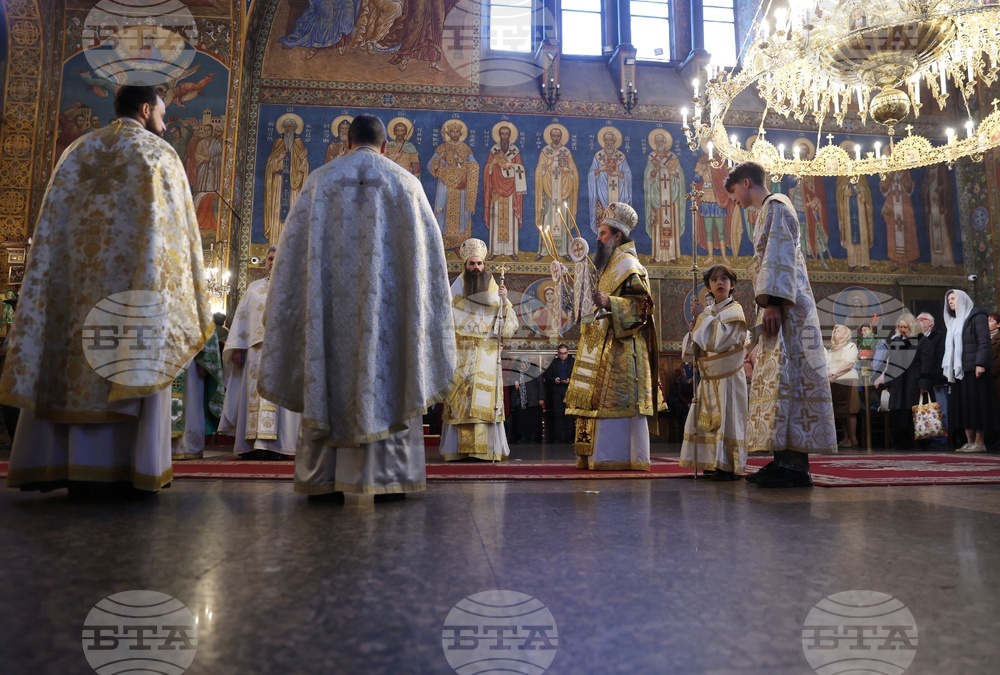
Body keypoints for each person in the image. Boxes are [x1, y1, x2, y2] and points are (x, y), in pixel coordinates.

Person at [0, 85, 213, 495]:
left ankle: (63, 465)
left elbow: (50, 235)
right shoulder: (157, 155)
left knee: (68, 368)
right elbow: (177, 240)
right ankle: (129, 468)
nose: (165, 126)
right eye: (163, 117)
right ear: (146, 109)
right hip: (133, 297)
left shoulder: (76, 151)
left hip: (73, 297)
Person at [259, 115, 456, 500]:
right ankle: (389, 479)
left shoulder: (319, 182)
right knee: (390, 380)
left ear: (347, 142)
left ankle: (324, 480)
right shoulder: (408, 185)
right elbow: (429, 270)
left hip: (329, 319)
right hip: (390, 321)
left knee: (326, 378)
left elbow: (289, 261)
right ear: (385, 146)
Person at [724, 161, 837, 487]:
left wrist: (773, 303)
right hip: (780, 306)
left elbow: (780, 256)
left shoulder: (776, 206)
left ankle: (794, 466)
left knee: (789, 382)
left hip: (786, 308)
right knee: (781, 384)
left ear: (746, 183)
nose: (733, 199)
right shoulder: (769, 211)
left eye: (733, 192)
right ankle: (784, 459)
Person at [564, 202, 658, 471]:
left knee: (612, 402)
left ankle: (618, 456)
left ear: (618, 236)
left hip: (620, 349)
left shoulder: (629, 265)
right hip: (598, 344)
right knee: (593, 402)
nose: (598, 237)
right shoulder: (605, 266)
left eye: (604, 233)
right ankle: (594, 456)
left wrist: (612, 303)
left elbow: (643, 307)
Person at [219, 247, 302, 460]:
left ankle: (279, 447)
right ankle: (252, 445)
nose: (272, 262)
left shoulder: (295, 287)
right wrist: (237, 346)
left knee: (280, 397)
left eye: (277, 258)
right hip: (255, 351)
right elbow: (241, 319)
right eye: (270, 258)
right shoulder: (254, 288)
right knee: (254, 395)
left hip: (283, 352)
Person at [439, 238, 518, 461]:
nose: (476, 268)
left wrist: (504, 302)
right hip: (460, 358)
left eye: (480, 264)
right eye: (472, 264)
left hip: (486, 356)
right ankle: (458, 450)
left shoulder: (495, 291)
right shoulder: (454, 292)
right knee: (460, 404)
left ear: (485, 265)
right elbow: (444, 323)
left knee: (484, 404)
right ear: (465, 265)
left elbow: (509, 325)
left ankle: (486, 449)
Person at [679, 264, 748, 480]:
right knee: (707, 424)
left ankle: (727, 466)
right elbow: (692, 351)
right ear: (708, 286)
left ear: (732, 284)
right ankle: (710, 462)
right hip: (708, 379)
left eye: (724, 279)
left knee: (728, 420)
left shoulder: (734, 311)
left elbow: (721, 340)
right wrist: (693, 331)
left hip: (728, 378)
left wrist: (702, 319)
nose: (720, 282)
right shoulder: (708, 312)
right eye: (715, 279)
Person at [943, 289, 997, 453]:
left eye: (953, 298)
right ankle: (969, 441)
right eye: (948, 300)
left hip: (974, 369)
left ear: (962, 299)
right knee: (964, 406)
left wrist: (980, 363)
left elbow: (984, 341)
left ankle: (980, 442)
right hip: (959, 371)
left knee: (977, 405)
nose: (950, 302)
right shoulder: (953, 321)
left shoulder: (976, 316)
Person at [171, 330, 225, 460]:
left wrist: (206, 359)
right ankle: (160, 447)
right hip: (164, 357)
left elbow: (206, 322)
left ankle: (188, 446)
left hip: (190, 359)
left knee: (192, 402)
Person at [875, 313, 922, 450]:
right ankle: (901, 441)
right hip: (898, 382)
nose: (902, 329)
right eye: (900, 326)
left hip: (913, 381)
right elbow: (891, 363)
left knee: (912, 412)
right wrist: (888, 382)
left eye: (905, 326)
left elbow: (926, 362)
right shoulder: (896, 341)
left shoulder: (920, 341)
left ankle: (916, 442)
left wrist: (924, 382)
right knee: (898, 414)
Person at [916, 312, 949, 448]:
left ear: (931, 323)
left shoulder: (939, 337)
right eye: (916, 319)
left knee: (942, 410)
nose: (918, 322)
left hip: (937, 379)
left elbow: (940, 358)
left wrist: (939, 377)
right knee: (925, 410)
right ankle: (930, 437)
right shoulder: (917, 338)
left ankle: (946, 438)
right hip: (923, 379)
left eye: (922, 319)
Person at [827, 324, 861, 449]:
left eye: (838, 330)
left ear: (845, 333)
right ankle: (846, 437)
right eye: (834, 329)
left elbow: (849, 364)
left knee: (850, 410)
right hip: (833, 382)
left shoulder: (850, 346)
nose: (835, 331)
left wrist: (835, 374)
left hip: (848, 381)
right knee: (839, 410)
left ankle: (853, 438)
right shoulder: (830, 350)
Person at [542, 344, 575, 443]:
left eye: (565, 353)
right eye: (561, 353)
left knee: (569, 415)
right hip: (557, 390)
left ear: (568, 352)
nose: (563, 355)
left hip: (569, 390)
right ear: (558, 353)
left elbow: (578, 375)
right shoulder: (554, 362)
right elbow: (547, 376)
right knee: (558, 414)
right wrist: (554, 380)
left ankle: (569, 437)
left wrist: (570, 380)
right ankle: (559, 437)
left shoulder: (572, 362)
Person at [509, 357, 544, 443]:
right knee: (521, 419)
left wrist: (541, 398)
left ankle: (532, 437)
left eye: (523, 365)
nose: (522, 367)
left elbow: (540, 385)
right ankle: (523, 437)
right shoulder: (515, 371)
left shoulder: (534, 371)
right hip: (520, 400)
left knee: (532, 419)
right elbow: (510, 380)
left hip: (533, 399)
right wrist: (515, 383)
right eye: (520, 365)